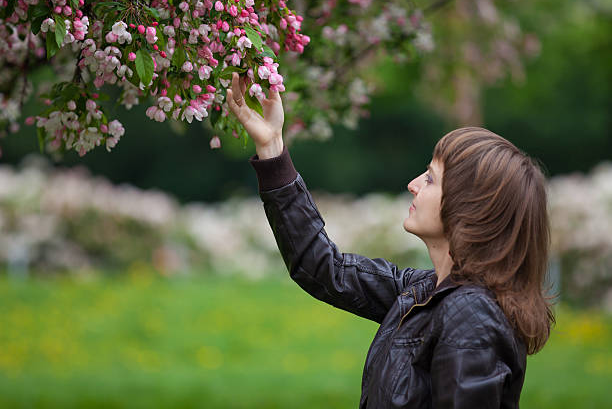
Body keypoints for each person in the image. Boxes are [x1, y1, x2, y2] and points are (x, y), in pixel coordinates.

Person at [227, 73, 554, 408]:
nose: (413, 184)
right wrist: (271, 148)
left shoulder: (471, 316)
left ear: (469, 207)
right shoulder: (425, 292)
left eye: (430, 178)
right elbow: (325, 268)